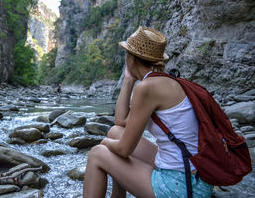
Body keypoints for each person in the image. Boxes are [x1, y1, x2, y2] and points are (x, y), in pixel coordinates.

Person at [83, 26, 213, 197]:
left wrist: (104, 143)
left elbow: (124, 150)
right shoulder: (165, 81)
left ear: (131, 58)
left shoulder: (147, 88)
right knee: (115, 132)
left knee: (98, 154)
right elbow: (120, 122)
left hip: (184, 186)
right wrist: (128, 80)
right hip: (197, 175)